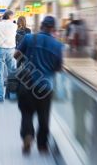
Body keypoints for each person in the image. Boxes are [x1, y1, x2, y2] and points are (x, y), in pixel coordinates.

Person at [14, 16, 63, 154]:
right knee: (44, 115)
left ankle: (28, 135)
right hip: (46, 86)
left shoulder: (29, 38)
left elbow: (16, 55)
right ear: (53, 29)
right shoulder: (57, 45)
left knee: (26, 112)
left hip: (27, 83)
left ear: (41, 25)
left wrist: (28, 60)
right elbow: (58, 68)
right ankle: (42, 145)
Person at [0, 10, 17, 102]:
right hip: (11, 50)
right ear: (10, 16)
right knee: (12, 73)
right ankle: (12, 95)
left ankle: (0, 97)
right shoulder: (14, 26)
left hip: (0, 50)